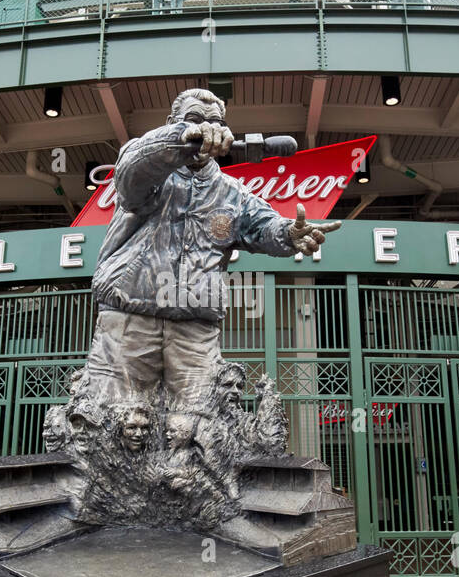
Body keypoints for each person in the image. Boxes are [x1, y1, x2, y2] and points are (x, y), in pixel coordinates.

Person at [86, 87, 338, 402]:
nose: (208, 128)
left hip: (195, 330)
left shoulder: (232, 192)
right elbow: (130, 175)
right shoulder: (147, 164)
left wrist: (289, 234)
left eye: (214, 122)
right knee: (108, 418)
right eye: (194, 119)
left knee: (199, 427)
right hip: (128, 318)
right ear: (171, 122)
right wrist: (179, 138)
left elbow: (263, 225)